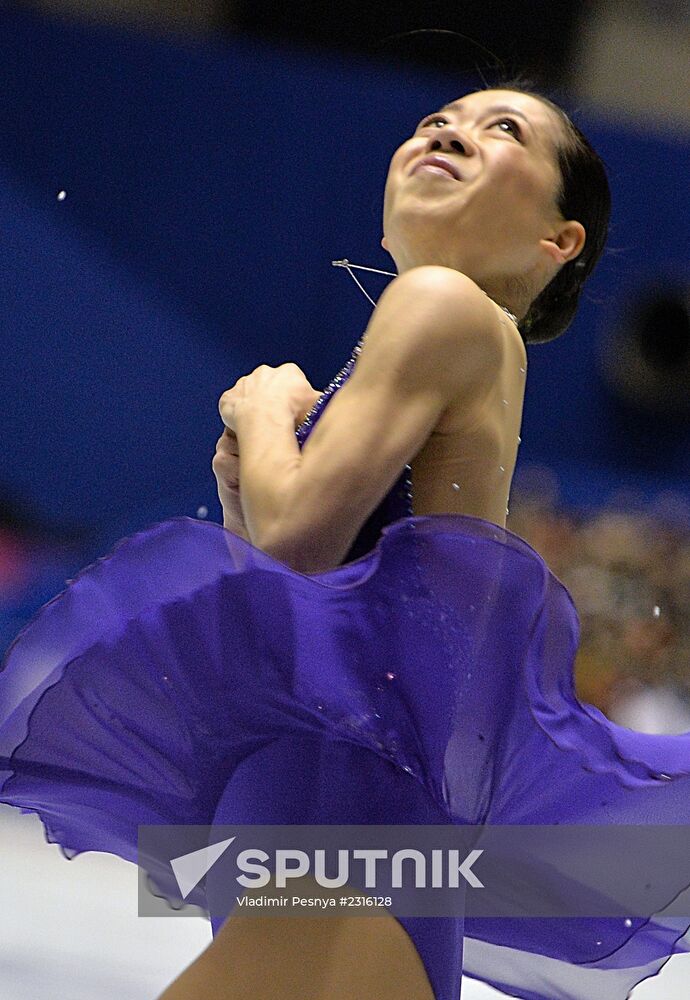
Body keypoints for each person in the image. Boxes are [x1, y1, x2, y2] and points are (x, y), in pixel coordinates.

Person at [1, 78, 690, 1000]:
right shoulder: (439, 339)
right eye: (436, 120)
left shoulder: (442, 302)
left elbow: (293, 549)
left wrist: (264, 413)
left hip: (340, 832)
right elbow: (310, 598)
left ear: (557, 243)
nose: (452, 130)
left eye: (503, 129)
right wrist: (249, 485)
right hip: (339, 830)